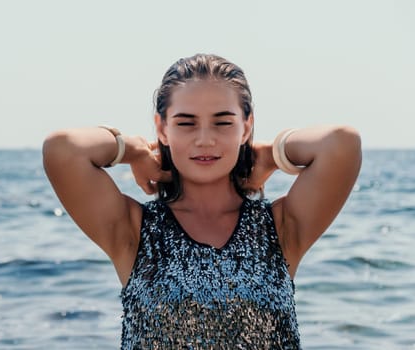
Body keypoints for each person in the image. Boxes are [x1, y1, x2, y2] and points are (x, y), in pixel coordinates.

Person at [42, 54, 362, 349]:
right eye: (186, 123)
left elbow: (341, 144)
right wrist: (133, 149)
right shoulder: (133, 231)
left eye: (223, 122)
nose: (205, 139)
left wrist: (271, 154)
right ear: (162, 128)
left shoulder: (279, 229)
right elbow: (64, 150)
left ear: (246, 126)